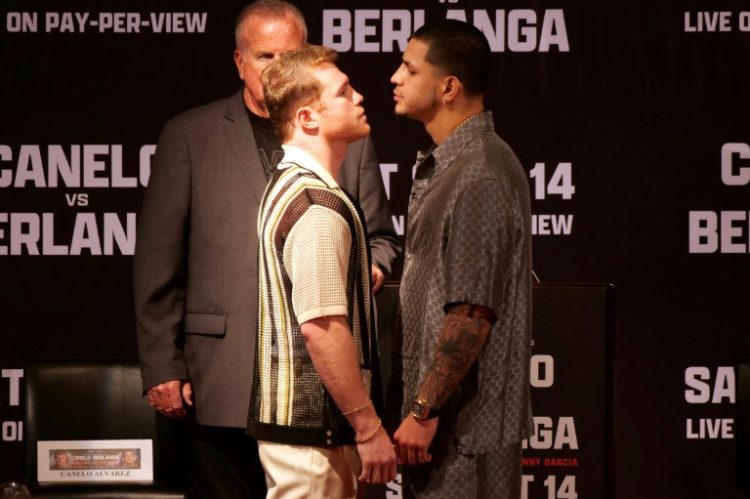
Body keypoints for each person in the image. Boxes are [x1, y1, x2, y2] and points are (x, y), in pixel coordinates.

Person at [133, 1, 398, 497]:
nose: (278, 69)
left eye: (291, 55)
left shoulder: (347, 141)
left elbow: (379, 238)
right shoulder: (191, 135)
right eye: (264, 56)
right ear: (239, 61)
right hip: (223, 373)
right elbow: (157, 260)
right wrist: (163, 363)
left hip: (312, 390)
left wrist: (366, 270)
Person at [390, 20, 533, 498]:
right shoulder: (456, 165)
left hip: (462, 436)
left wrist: (422, 410)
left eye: (409, 69)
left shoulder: (480, 176)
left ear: (449, 87)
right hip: (446, 430)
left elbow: (472, 313)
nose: (395, 77)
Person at [248, 44, 397, 498]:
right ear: (308, 118)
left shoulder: (292, 185)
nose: (359, 97)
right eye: (343, 91)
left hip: (307, 436)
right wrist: (369, 429)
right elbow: (322, 329)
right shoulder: (315, 206)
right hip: (316, 440)